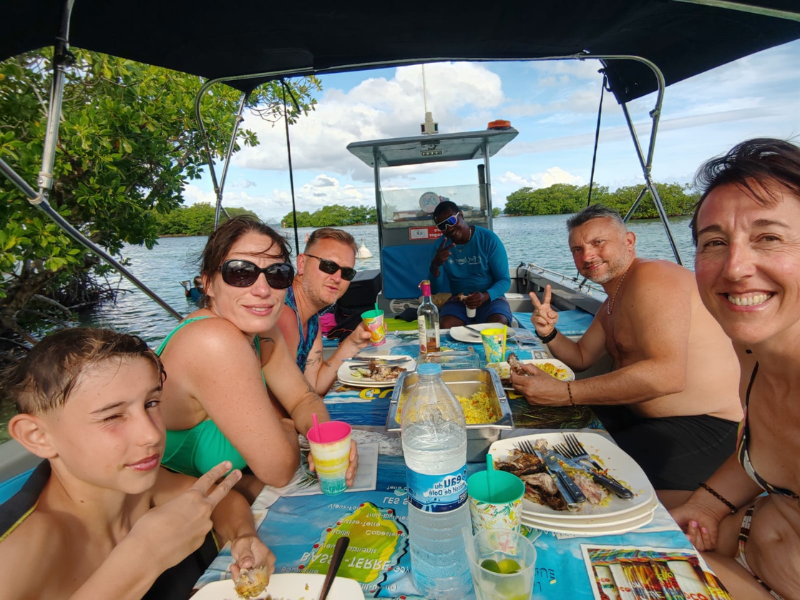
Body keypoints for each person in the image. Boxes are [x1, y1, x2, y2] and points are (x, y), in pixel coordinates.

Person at [0, 328, 274, 599]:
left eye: (151, 402)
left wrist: (242, 536)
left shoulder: (140, 485)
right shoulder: (17, 555)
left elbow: (218, 501)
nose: (152, 434)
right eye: (112, 417)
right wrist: (145, 556)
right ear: (37, 437)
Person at [512, 204, 742, 508]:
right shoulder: (614, 299)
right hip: (638, 417)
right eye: (577, 249)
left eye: (598, 243)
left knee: (566, 481)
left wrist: (564, 393)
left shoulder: (654, 277)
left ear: (629, 241)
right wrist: (548, 333)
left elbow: (667, 374)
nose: (587, 255)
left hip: (705, 428)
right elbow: (581, 357)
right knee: (537, 435)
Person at [670, 138, 800, 600]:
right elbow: (763, 457)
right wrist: (704, 504)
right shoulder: (753, 349)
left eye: (769, 237)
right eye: (715, 243)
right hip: (743, 538)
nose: (736, 267)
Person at [155, 216, 358, 503]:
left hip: (222, 498)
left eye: (276, 274)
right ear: (208, 283)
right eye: (240, 272)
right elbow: (279, 469)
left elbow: (304, 399)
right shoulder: (214, 341)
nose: (263, 290)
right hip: (162, 522)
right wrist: (288, 426)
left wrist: (324, 438)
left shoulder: (261, 332)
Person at [276, 228, 371, 396]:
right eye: (329, 266)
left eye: (347, 272)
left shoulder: (311, 317)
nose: (337, 278)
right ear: (302, 264)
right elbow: (286, 401)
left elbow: (315, 385)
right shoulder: (283, 315)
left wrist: (353, 343)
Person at [428, 200, 512, 328]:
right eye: (442, 226)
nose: (449, 228)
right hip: (459, 299)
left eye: (451, 221)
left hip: (490, 298)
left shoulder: (488, 239)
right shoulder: (440, 247)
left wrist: (485, 296)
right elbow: (434, 290)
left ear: (461, 215)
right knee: (446, 325)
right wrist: (435, 265)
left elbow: (504, 280)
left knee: (497, 324)